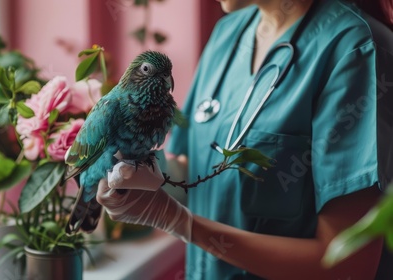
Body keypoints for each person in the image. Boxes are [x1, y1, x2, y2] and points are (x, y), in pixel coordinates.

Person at [96, 0, 393, 279]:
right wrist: (141, 177)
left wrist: (181, 223)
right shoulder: (228, 33)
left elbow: (350, 263)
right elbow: (196, 165)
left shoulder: (354, 49)